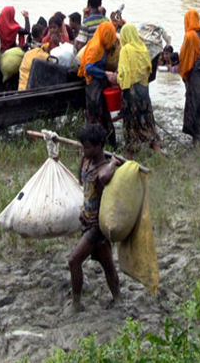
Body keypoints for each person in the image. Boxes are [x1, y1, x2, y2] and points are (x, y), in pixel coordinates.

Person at [68, 124, 121, 313]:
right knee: (107, 264)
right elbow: (80, 178)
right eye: (83, 146)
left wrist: (113, 162)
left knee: (74, 260)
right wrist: (84, 154)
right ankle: (118, 299)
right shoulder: (88, 161)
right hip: (87, 220)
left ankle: (76, 304)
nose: (85, 150)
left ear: (99, 146)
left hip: (96, 227)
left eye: (88, 146)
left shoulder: (104, 168)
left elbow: (104, 177)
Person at [117, 23, 161, 157]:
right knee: (147, 119)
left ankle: (129, 154)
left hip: (131, 92)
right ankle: (157, 150)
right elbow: (148, 68)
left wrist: (116, 78)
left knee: (130, 123)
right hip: (144, 90)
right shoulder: (142, 47)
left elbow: (123, 73)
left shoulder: (126, 50)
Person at [78, 22, 119, 146]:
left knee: (105, 116)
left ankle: (111, 145)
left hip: (99, 85)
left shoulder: (101, 45)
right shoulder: (96, 47)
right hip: (93, 87)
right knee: (96, 115)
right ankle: (96, 146)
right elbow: (89, 68)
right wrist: (104, 73)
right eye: (110, 35)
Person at [179, 9, 200, 144]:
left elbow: (185, 58)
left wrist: (185, 75)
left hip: (195, 75)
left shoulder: (189, 37)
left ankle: (195, 139)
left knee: (194, 106)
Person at [18, 25, 50, 91]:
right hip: (30, 90)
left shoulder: (27, 53)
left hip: (21, 88)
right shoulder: (40, 53)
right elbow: (50, 60)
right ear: (40, 35)